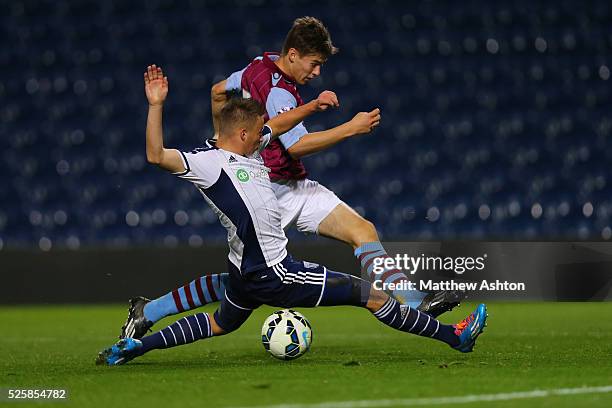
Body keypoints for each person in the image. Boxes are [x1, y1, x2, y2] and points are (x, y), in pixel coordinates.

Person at [96, 65, 486, 366]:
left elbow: (277, 124)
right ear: (245, 135)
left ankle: (135, 347)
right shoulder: (208, 164)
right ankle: (455, 336)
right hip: (277, 273)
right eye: (258, 131)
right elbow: (155, 155)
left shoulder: (244, 146)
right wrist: (156, 105)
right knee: (370, 295)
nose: (266, 135)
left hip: (244, 273)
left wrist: (312, 107)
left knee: (220, 322)